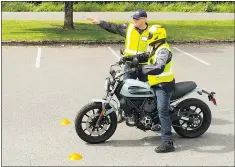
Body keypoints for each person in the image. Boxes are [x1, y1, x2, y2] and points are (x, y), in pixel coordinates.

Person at [134, 25, 175, 153]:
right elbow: (147, 56)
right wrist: (131, 59)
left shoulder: (164, 50)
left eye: (150, 36)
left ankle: (167, 142)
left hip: (163, 85)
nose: (148, 38)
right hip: (155, 83)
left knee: (162, 110)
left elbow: (159, 66)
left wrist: (141, 69)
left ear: (157, 36)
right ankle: (154, 122)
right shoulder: (155, 47)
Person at [87, 9, 151, 80]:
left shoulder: (151, 32)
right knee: (126, 87)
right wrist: (100, 22)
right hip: (129, 64)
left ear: (144, 19)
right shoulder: (129, 28)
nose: (134, 20)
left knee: (146, 88)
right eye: (133, 18)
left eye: (137, 18)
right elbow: (113, 27)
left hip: (144, 66)